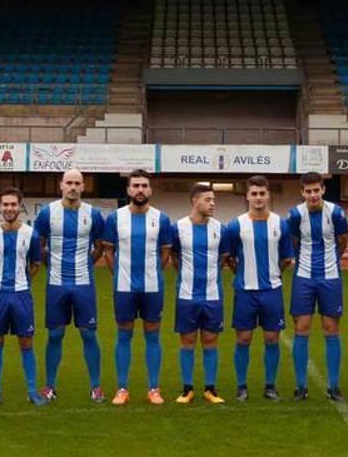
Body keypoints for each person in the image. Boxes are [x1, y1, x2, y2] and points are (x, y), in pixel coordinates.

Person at [102, 169, 174, 405]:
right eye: (136, 186)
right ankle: (122, 388)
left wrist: (153, 273)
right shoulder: (115, 218)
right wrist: (119, 276)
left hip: (153, 287)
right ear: (128, 190)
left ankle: (154, 388)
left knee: (153, 335)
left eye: (144, 186)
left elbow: (165, 253)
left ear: (150, 190)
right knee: (124, 335)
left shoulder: (161, 219)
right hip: (124, 287)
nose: (140, 190)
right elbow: (108, 252)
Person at [35, 169, 106, 403]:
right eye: (69, 183)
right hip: (56, 284)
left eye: (77, 183)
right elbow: (40, 246)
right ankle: (49, 386)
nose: (73, 187)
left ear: (83, 186)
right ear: (61, 185)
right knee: (55, 334)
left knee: (89, 334)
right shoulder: (47, 213)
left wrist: (85, 263)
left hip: (84, 284)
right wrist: (54, 265)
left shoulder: (93, 214)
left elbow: (99, 246)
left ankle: (95, 387)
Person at [224, 175, 294, 402]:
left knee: (272, 338)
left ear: (268, 195)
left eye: (262, 193)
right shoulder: (236, 225)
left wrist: (272, 275)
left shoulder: (280, 223)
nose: (258, 198)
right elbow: (230, 258)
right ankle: (241, 386)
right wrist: (244, 276)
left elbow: (286, 259)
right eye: (254, 193)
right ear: (247, 196)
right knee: (243, 339)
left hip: (272, 291)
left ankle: (270, 386)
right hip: (245, 291)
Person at [286, 172, 348, 402]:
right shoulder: (295, 215)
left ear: (323, 189)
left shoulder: (336, 212)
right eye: (308, 191)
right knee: (302, 328)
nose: (312, 195)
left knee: (331, 328)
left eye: (316, 190)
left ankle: (333, 386)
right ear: (302, 192)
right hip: (303, 277)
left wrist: (332, 261)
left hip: (330, 277)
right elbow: (293, 242)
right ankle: (300, 386)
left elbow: (342, 241)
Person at [0, 187, 47, 407]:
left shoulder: (31, 234)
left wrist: (23, 281)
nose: (9, 208)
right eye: (5, 204)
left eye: (13, 204)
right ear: (0, 206)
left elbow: (36, 263)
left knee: (26, 342)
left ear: (20, 206)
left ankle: (32, 391)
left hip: (21, 294)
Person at [171, 183, 229, 405]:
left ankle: (210, 389)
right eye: (208, 199)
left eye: (214, 200)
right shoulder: (179, 228)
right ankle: (187, 389)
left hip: (212, 295)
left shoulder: (219, 229)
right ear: (194, 201)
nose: (213, 203)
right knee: (187, 341)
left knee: (210, 340)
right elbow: (175, 257)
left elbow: (223, 257)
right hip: (187, 295)